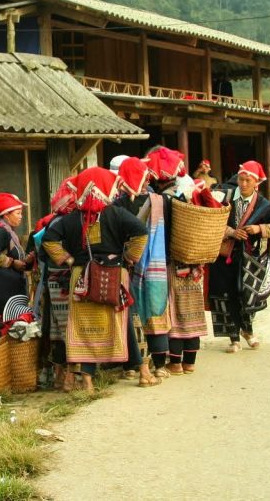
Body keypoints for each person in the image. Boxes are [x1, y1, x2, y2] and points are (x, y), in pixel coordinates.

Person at [42, 167, 149, 392]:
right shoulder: (117, 214)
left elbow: (49, 240)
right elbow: (140, 231)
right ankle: (143, 372)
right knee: (121, 325)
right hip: (113, 277)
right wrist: (130, 257)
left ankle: (88, 381)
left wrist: (69, 260)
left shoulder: (71, 219)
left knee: (84, 329)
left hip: (81, 278)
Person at [208, 160, 270, 353]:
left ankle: (248, 330)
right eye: (241, 180)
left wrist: (259, 228)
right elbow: (210, 220)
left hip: (249, 258)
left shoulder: (264, 205)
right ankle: (234, 338)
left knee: (247, 295)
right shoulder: (224, 198)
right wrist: (231, 232)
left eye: (247, 181)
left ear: (256, 183)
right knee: (226, 295)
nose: (243, 184)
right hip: (224, 256)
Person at [116, 157, 165, 383]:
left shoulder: (116, 205)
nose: (146, 180)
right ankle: (153, 364)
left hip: (128, 264)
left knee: (135, 313)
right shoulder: (160, 202)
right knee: (150, 310)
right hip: (155, 263)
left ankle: (134, 364)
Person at [34, 177, 78, 391]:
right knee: (67, 329)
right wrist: (69, 260)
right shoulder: (65, 222)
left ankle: (60, 376)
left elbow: (41, 255)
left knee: (57, 330)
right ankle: (67, 377)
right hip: (63, 282)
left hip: (53, 281)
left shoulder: (53, 221)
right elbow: (46, 249)